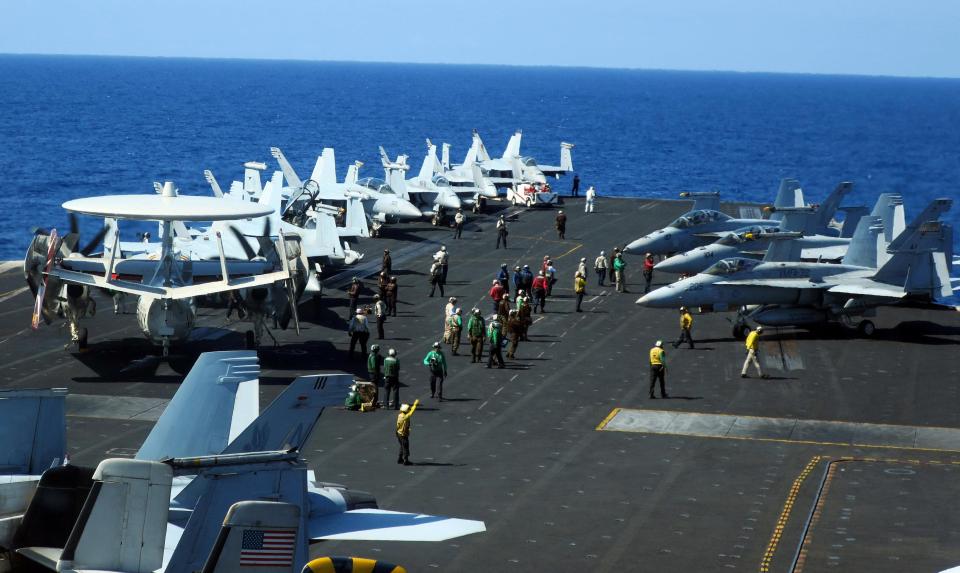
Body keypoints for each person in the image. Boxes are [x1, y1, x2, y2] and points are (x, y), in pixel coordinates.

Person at [395, 399, 420, 465]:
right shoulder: (405, 417)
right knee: (405, 447)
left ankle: (400, 459)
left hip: (398, 433)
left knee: (401, 446)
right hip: (403, 434)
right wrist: (415, 405)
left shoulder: (400, 415)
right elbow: (411, 412)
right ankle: (406, 461)